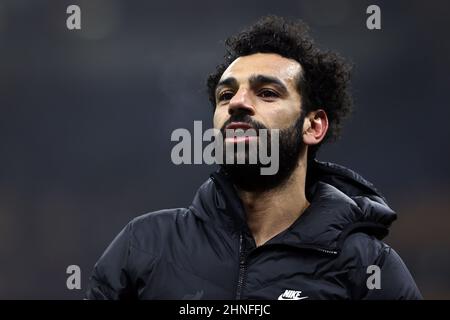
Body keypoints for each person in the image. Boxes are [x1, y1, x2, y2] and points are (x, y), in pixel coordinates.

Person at [86, 15, 422, 300]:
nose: (237, 103)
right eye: (226, 94)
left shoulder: (367, 266)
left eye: (267, 93)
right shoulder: (145, 244)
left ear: (314, 126)